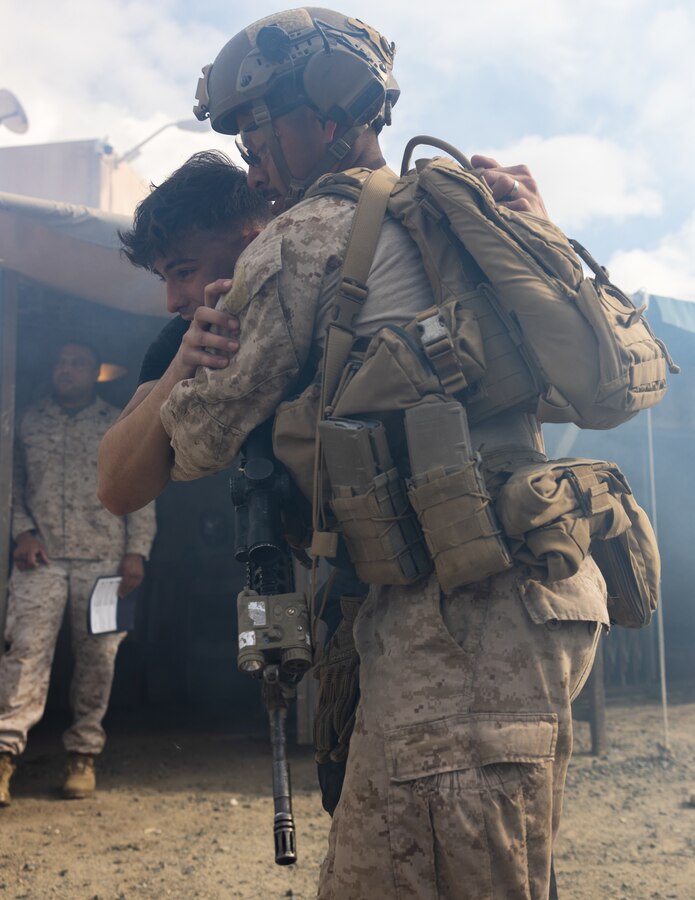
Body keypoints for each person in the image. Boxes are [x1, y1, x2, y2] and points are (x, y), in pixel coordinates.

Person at [127, 9, 607, 897]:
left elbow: (193, 441)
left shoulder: (305, 237)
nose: (249, 155)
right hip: (525, 601)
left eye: (255, 126)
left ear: (325, 108)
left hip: (455, 627)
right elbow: (587, 391)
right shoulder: (467, 211)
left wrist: (175, 377)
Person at [0, 342, 157, 807]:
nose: (65, 369)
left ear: (96, 373)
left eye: (77, 364)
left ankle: (82, 757)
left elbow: (141, 488)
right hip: (40, 559)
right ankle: (4, 757)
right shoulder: (26, 419)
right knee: (24, 653)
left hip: (105, 562)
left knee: (99, 659)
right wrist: (22, 533)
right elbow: (9, 486)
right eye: (60, 361)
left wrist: (137, 552)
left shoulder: (117, 423)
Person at [97, 151, 272, 516]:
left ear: (253, 246)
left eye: (185, 272)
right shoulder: (182, 339)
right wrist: (179, 367)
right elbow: (116, 490)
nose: (172, 301)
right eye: (166, 278)